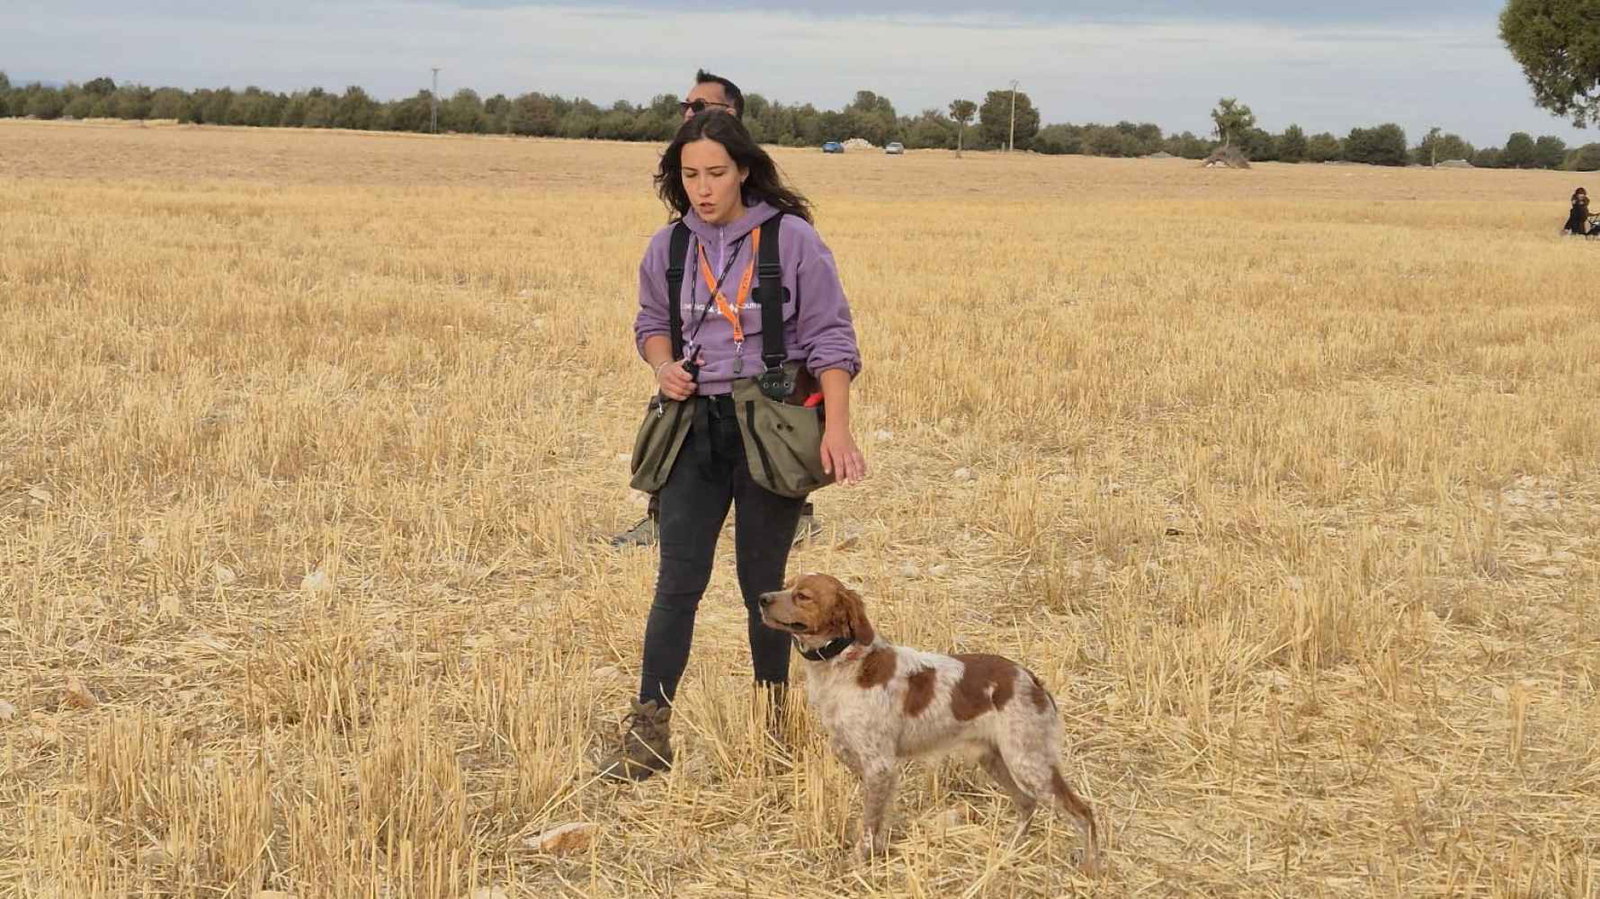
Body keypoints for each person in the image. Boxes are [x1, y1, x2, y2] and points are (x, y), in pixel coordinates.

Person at [600, 111, 866, 781]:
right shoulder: (668, 247)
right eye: (690, 175)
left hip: (770, 427)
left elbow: (832, 338)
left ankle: (772, 724)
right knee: (676, 583)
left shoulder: (793, 240)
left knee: (765, 589)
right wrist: (662, 365)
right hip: (694, 426)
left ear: (744, 169)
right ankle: (648, 730)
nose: (703, 188)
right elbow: (649, 325)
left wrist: (837, 427)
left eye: (716, 173)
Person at [612, 69, 823, 547]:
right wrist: (664, 363)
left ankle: (793, 507)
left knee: (778, 417)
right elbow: (655, 317)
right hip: (700, 391)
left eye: (702, 108)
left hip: (766, 387)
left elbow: (823, 332)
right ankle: (665, 513)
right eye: (686, 107)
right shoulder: (681, 230)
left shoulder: (780, 231)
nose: (689, 114)